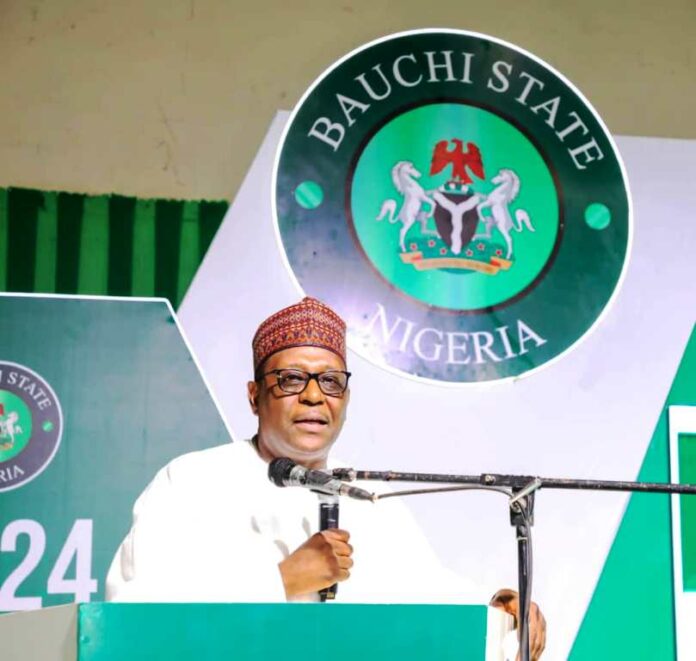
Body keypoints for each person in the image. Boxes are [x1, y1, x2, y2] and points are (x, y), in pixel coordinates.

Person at [106, 297, 546, 658]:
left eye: (331, 382)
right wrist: (282, 580)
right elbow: (135, 612)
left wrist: (498, 612)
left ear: (346, 398)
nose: (314, 395)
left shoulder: (370, 500)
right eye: (292, 379)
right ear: (255, 396)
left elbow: (427, 598)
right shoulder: (193, 481)